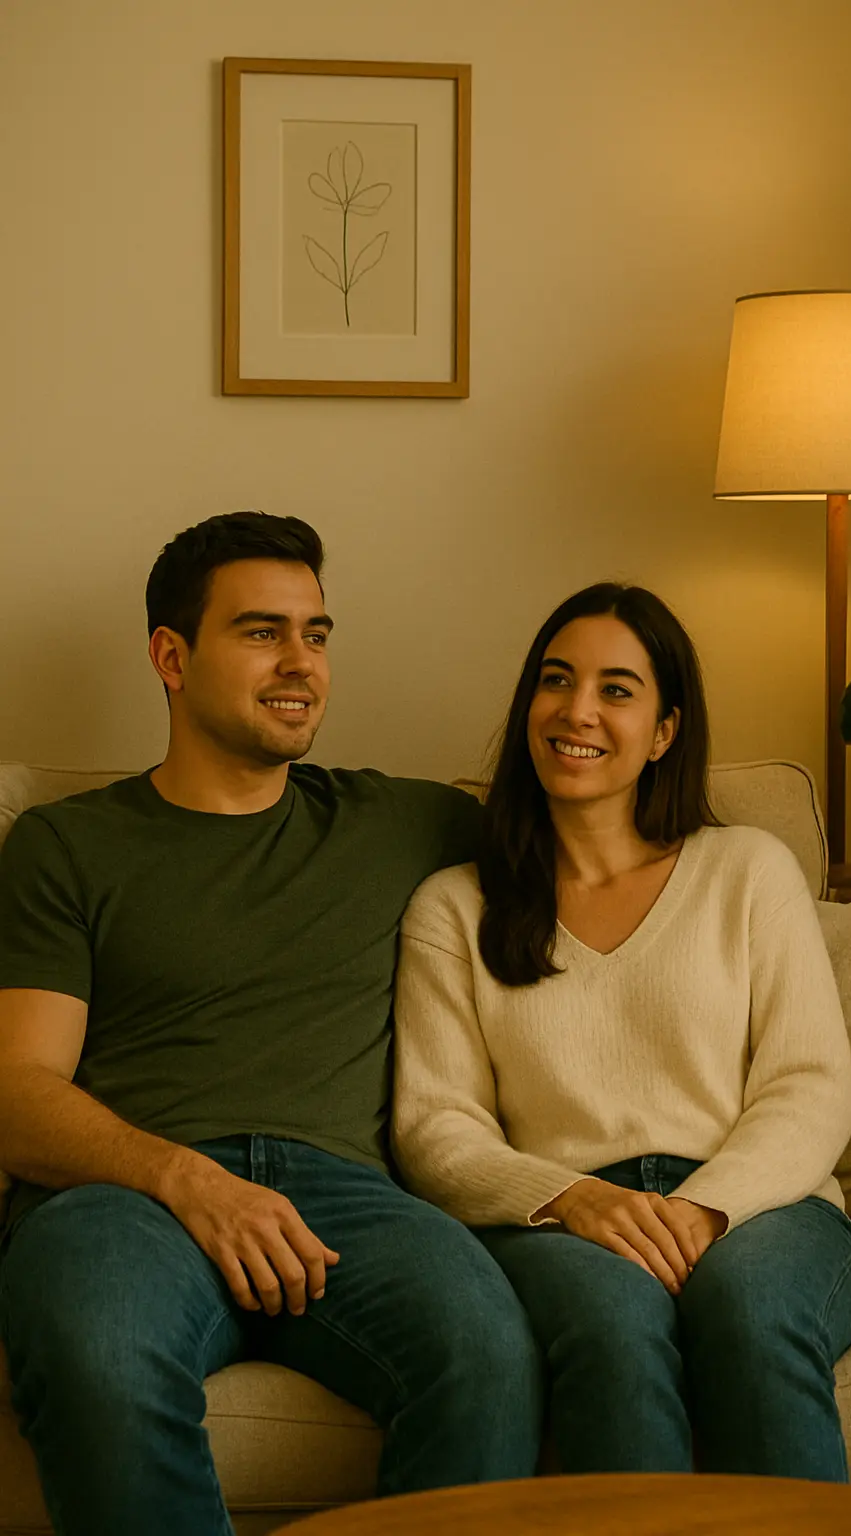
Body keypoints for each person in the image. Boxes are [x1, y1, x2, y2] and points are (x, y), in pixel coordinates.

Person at [0, 512, 544, 1536]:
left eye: (317, 633)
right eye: (262, 633)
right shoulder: (67, 846)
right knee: (99, 1354)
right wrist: (188, 1182)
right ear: (171, 655)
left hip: (345, 1196)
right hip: (124, 1197)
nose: (301, 663)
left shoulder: (401, 824)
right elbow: (18, 1094)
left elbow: (600, 835)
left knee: (487, 1351)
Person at [392, 581, 851, 1482]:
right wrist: (574, 1199)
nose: (578, 711)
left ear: (664, 732)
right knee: (612, 1329)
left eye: (617, 689)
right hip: (561, 1222)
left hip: (762, 1207)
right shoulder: (454, 907)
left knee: (752, 1316)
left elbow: (809, 1084)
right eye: (556, 680)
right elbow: (435, 1128)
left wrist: (702, 1209)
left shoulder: (749, 872)